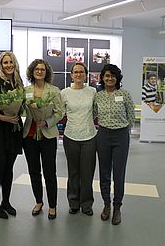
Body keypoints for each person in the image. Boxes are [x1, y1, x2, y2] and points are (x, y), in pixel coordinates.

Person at [0, 52, 24, 219]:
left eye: (11, 62)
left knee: (9, 169)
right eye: (5, 62)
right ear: (1, 64)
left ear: (15, 64)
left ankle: (6, 202)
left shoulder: (19, 83)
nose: (8, 65)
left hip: (13, 130)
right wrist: (3, 117)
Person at [23, 59, 64, 220]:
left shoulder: (54, 91)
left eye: (42, 69)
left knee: (49, 172)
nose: (39, 71)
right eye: (37, 69)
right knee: (34, 171)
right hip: (29, 135)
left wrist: (47, 122)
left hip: (48, 135)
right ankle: (39, 201)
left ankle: (52, 205)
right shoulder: (26, 90)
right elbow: (23, 110)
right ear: (32, 72)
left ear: (46, 72)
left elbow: (60, 112)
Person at [94, 64, 134, 225]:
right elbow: (93, 114)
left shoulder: (124, 94)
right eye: (106, 76)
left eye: (112, 76)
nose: (109, 79)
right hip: (103, 135)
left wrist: (125, 133)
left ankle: (117, 207)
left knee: (119, 174)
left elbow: (131, 117)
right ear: (102, 78)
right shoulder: (98, 96)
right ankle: (106, 205)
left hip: (121, 136)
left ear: (117, 78)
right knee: (104, 173)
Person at [61, 62, 97, 216]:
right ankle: (74, 202)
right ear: (71, 74)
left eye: (81, 72)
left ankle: (87, 204)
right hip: (70, 136)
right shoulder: (64, 93)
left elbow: (96, 111)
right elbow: (60, 113)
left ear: (86, 74)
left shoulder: (93, 91)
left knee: (87, 173)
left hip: (89, 136)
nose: (78, 74)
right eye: (75, 72)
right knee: (73, 172)